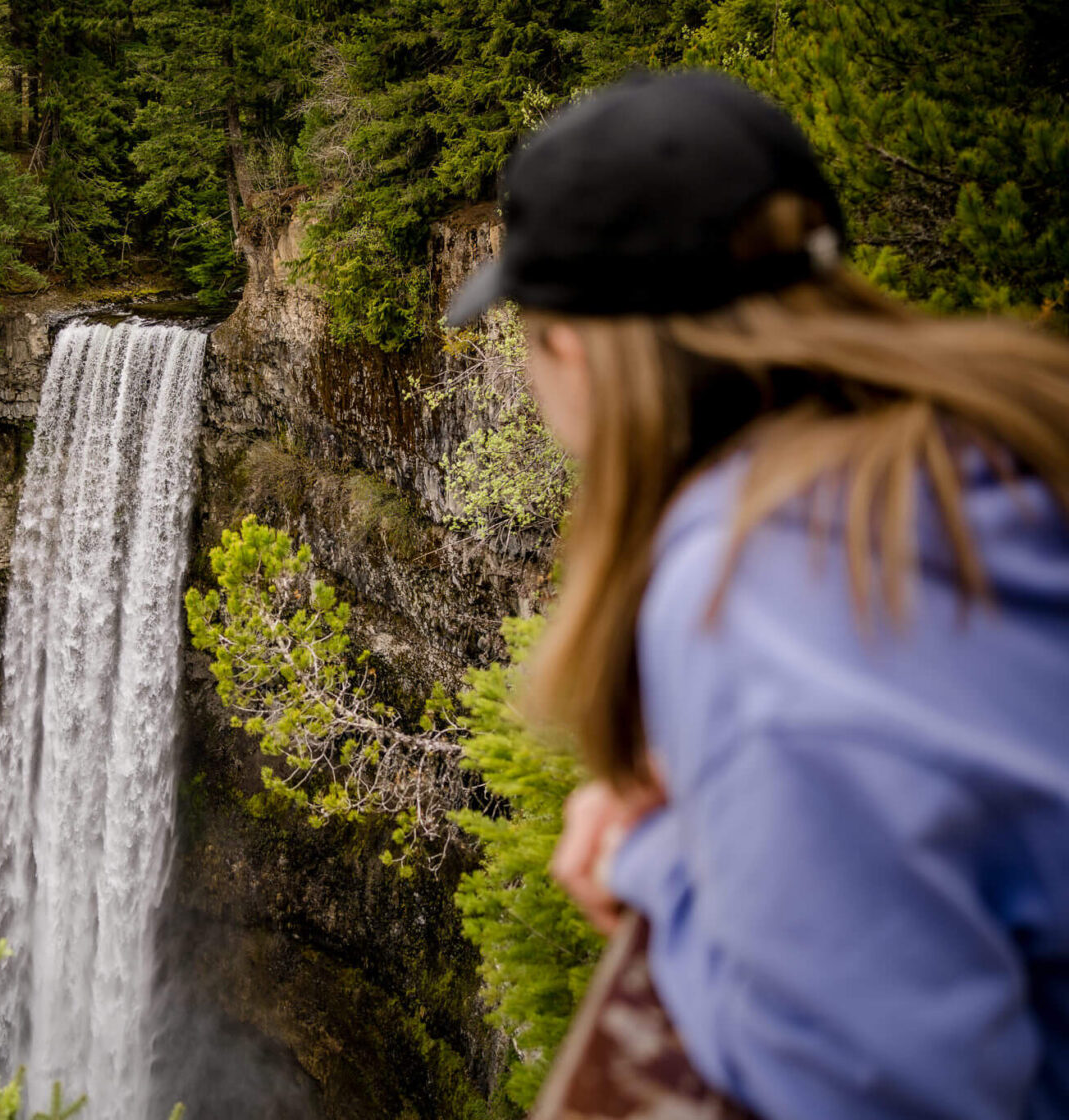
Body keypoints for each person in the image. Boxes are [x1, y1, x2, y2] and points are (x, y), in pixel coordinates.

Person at [448, 71, 1069, 1120]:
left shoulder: (745, 595)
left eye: (530, 334)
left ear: (578, 347)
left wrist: (659, 864)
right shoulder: (997, 446)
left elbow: (872, 1086)